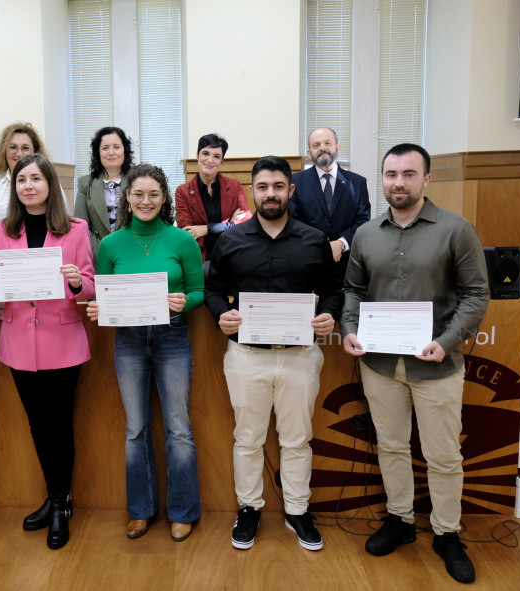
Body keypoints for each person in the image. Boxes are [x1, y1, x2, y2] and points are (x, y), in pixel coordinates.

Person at [341, 143, 489, 584]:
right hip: (380, 363)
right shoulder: (367, 234)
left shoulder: (456, 230)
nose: (398, 183)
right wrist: (350, 327)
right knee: (391, 446)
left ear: (426, 179)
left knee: (443, 455)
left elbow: (477, 294)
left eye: (408, 174)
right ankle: (400, 520)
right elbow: (353, 289)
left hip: (436, 364)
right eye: (390, 174)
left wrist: (446, 342)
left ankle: (446, 532)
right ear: (381, 178)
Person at [205, 156, 342, 552]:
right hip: (247, 356)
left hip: (300, 356)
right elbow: (213, 291)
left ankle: (298, 510)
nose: (270, 194)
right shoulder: (230, 240)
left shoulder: (314, 239)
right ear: (253, 191)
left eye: (278, 186)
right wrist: (221, 314)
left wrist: (329, 313)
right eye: (263, 187)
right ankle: (249, 507)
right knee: (247, 439)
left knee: (297, 439)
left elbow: (334, 289)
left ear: (290, 191)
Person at [0, 154, 94, 550]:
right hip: (19, 343)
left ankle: (61, 503)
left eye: (35, 179)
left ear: (50, 185)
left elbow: (91, 285)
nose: (28, 186)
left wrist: (79, 282)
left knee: (60, 424)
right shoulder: (4, 232)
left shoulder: (75, 229)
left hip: (63, 340)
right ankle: (53, 495)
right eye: (21, 180)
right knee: (37, 423)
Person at [86, 163, 203, 543]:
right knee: (135, 429)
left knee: (179, 428)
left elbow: (200, 293)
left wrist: (183, 303)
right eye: (138, 194)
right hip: (129, 342)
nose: (146, 201)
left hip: (172, 338)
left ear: (164, 197)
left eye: (153, 194)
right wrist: (99, 308)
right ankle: (140, 510)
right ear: (127, 198)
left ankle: (183, 511)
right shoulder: (110, 245)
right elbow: (101, 295)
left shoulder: (182, 241)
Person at [289, 127, 371, 280]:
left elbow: (363, 220)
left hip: (348, 265)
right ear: (309, 153)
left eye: (328, 143)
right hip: (308, 262)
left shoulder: (357, 182)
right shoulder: (295, 182)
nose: (322, 148)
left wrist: (341, 243)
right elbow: (293, 219)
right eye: (316, 145)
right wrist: (320, 244)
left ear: (337, 148)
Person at [0, 122, 68, 250]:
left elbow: (63, 221)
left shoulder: (49, 182)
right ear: (4, 151)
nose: (18, 154)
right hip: (6, 260)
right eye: (13, 147)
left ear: (35, 151)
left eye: (25, 148)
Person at [174, 133, 251, 264]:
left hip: (232, 254)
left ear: (221, 161)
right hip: (199, 258)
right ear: (197, 155)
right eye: (205, 153)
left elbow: (246, 221)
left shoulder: (234, 186)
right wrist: (229, 225)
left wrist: (206, 229)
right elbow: (188, 234)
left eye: (216, 156)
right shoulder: (183, 192)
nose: (210, 160)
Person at [74, 126, 134, 260]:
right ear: (98, 153)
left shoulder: (137, 180)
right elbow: (80, 227)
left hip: (132, 253)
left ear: (125, 150)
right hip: (97, 257)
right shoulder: (85, 183)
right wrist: (104, 251)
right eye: (105, 148)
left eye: (116, 147)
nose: (111, 152)